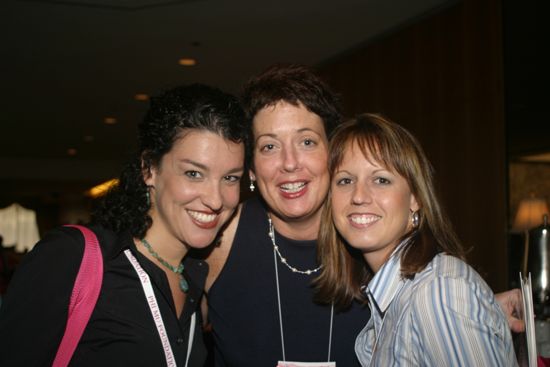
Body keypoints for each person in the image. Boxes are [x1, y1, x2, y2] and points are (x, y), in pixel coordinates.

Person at [204, 63, 523, 367]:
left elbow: (431, 298)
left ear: (331, 154)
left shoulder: (367, 239)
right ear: (251, 169)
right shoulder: (219, 237)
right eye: (269, 146)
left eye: (306, 141)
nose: (289, 163)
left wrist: (467, 310)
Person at [0, 84, 247, 367]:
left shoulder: (196, 276)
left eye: (230, 178)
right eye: (194, 173)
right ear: (149, 168)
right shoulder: (71, 257)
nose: (215, 200)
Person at [316, 113, 517, 366]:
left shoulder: (439, 293)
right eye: (345, 180)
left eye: (381, 180)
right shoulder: (396, 296)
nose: (359, 196)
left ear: (415, 199)